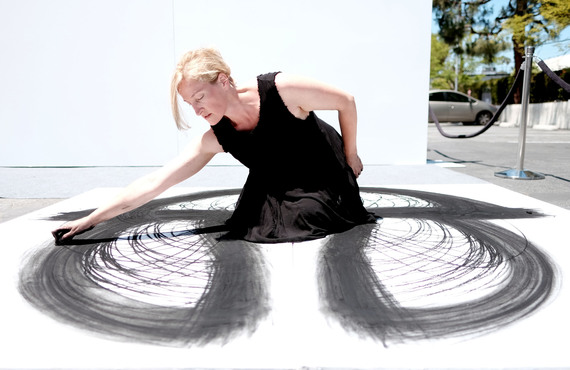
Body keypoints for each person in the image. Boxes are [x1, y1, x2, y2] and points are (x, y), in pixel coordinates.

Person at [52, 48, 376, 244]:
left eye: (199, 98)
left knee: (307, 215)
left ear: (222, 80)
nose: (196, 110)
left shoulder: (281, 89)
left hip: (321, 165)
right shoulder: (216, 138)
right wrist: (90, 220)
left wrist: (351, 154)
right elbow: (156, 181)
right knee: (256, 220)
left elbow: (346, 101)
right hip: (276, 179)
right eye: (188, 103)